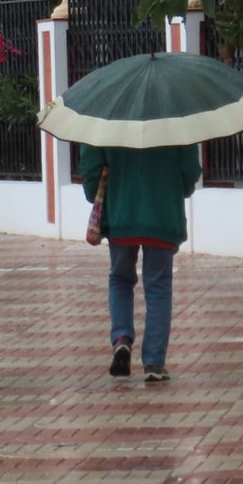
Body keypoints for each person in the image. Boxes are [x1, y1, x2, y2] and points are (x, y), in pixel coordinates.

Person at [81, 143, 201, 383]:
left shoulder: (108, 120)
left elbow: (90, 162)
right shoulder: (175, 120)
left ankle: (121, 340)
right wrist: (179, 187)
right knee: (158, 286)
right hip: (163, 212)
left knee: (120, 279)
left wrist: (96, 191)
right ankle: (154, 362)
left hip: (121, 210)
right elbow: (189, 168)